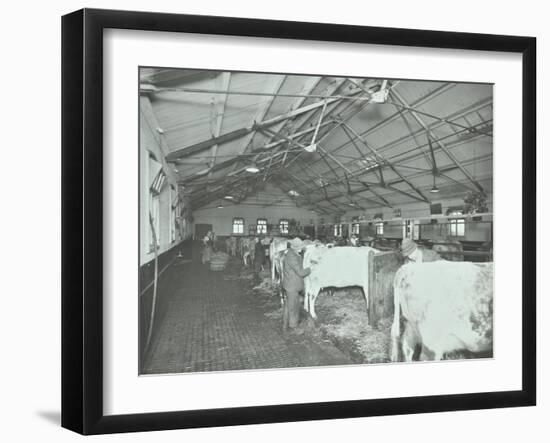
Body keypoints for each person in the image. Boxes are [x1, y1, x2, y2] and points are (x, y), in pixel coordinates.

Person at [281, 237, 311, 332]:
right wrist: (311, 268)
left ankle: (285, 325)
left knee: (288, 306)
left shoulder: (292, 253)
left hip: (289, 284)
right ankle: (294, 327)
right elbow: (301, 272)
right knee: (293, 307)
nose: (301, 248)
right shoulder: (292, 256)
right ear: (295, 247)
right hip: (292, 286)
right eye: (300, 247)